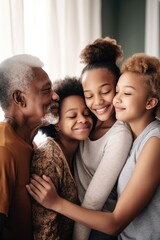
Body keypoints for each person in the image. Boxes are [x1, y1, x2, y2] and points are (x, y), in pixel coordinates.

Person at [26, 53, 160, 240]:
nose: (116, 99)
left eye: (126, 93)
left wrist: (56, 203)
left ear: (150, 102)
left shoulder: (153, 142)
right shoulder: (102, 127)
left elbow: (114, 222)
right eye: (118, 91)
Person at [0, 54, 59, 240]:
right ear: (20, 99)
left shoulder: (30, 143)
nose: (56, 96)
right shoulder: (3, 150)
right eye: (46, 90)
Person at [31, 77, 93, 240]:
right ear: (57, 123)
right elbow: (44, 233)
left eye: (86, 113)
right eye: (72, 116)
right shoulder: (48, 159)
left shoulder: (80, 149)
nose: (83, 119)